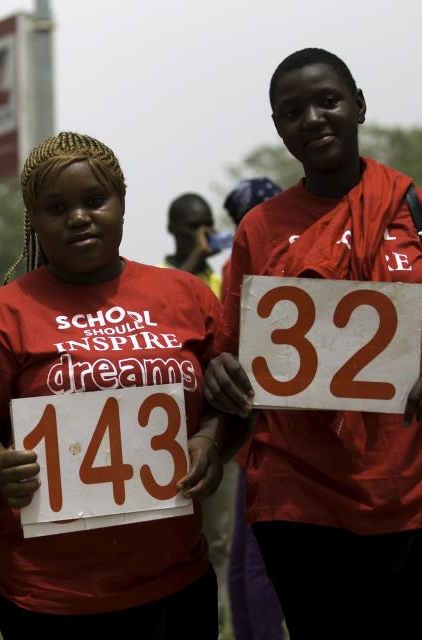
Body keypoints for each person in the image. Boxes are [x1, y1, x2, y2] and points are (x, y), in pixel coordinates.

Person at [0, 131, 248, 639]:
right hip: (44, 593)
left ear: (122, 202)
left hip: (173, 582)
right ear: (34, 220)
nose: (78, 217)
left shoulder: (188, 296)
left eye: (94, 200)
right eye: (56, 207)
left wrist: (209, 443)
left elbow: (231, 399)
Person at [204, 48, 422, 640]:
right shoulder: (260, 228)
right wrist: (220, 374)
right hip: (295, 495)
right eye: (293, 111)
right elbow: (231, 351)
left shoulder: (412, 208)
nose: (314, 119)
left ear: (358, 105)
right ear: (279, 128)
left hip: (402, 488)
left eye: (328, 101)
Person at [163, 192, 235, 626]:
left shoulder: (223, 276)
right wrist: (192, 257)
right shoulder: (165, 277)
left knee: (221, 535)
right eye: (193, 225)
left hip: (215, 427)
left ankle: (220, 615)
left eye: (208, 223)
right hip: (167, 433)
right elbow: (162, 316)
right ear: (173, 229)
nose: (204, 232)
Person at [219, 178, 285, 640]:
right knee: (252, 563)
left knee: (249, 563)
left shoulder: (236, 262)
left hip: (260, 431)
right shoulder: (274, 257)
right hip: (270, 432)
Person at [164, 193, 222, 297]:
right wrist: (196, 256)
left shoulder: (217, 281)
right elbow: (165, 299)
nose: (204, 233)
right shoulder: (156, 274)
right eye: (194, 226)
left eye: (209, 225)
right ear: (171, 228)